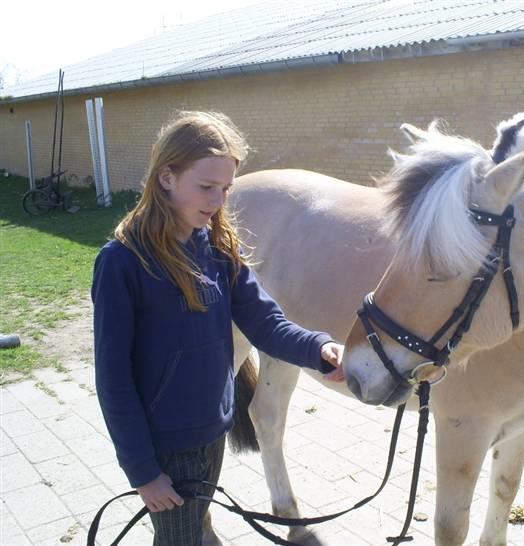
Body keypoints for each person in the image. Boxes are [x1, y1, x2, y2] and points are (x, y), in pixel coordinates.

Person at [92, 111, 344, 545]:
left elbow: (266, 322)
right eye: (206, 187)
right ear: (166, 177)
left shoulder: (218, 249)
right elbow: (113, 380)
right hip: (167, 449)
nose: (218, 200)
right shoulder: (122, 263)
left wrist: (319, 349)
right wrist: (144, 473)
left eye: (226, 188)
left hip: (214, 430)